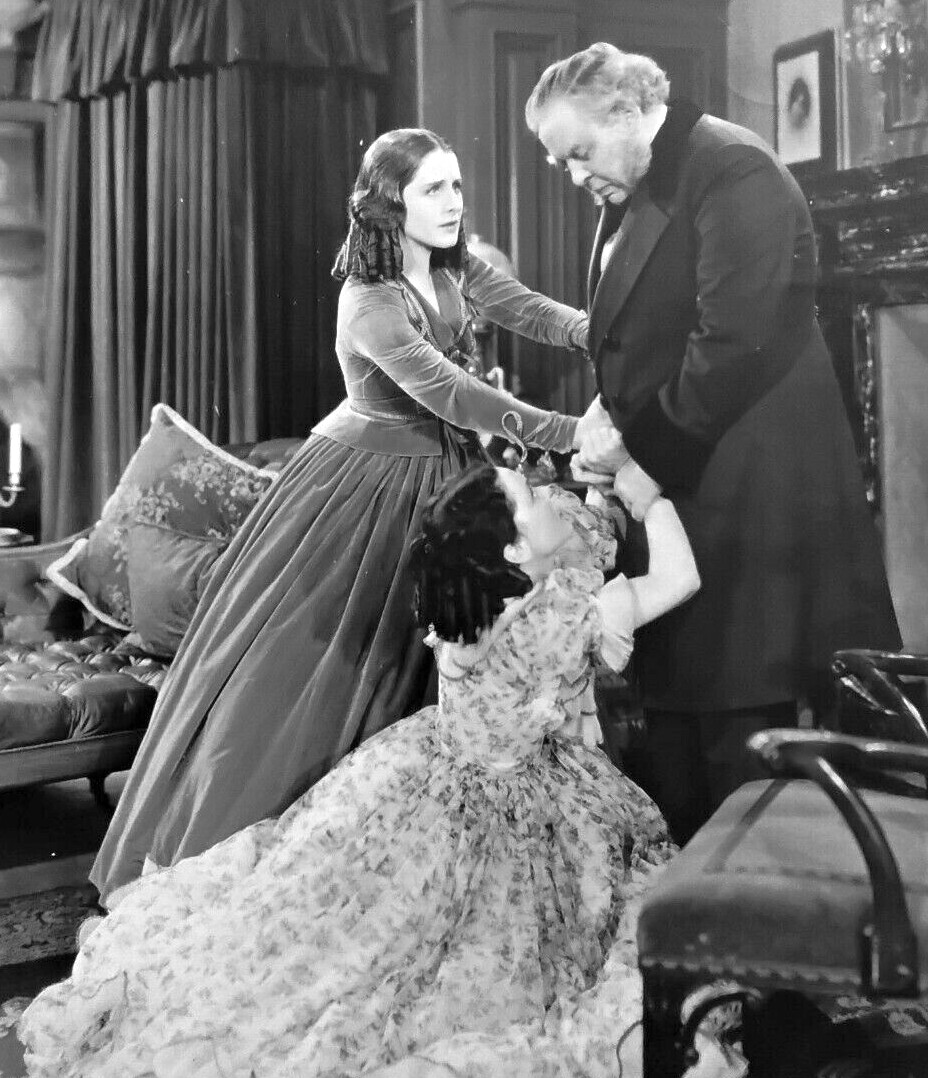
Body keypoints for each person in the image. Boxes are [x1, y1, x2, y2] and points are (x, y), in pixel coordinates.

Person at [20, 465, 744, 1078]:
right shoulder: (563, 616)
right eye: (532, 497)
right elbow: (679, 578)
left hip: (424, 777)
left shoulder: (472, 603)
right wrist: (652, 494)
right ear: (516, 548)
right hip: (522, 806)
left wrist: (590, 495)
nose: (548, 495)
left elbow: (565, 536)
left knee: (359, 935)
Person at [90, 127, 596, 904]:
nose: (452, 202)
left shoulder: (459, 266)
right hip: (365, 486)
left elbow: (530, 310)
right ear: (390, 204)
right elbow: (451, 393)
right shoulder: (369, 300)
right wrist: (570, 432)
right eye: (433, 189)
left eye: (457, 185)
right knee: (339, 673)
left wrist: (599, 331)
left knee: (455, 665)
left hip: (446, 478)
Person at [525, 43, 901, 844]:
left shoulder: (733, 170)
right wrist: (604, 420)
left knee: (741, 765)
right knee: (684, 760)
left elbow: (731, 345)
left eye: (579, 153)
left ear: (627, 111)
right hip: (693, 497)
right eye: (561, 163)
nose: (574, 175)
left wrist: (637, 455)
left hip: (749, 511)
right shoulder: (639, 180)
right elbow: (642, 336)